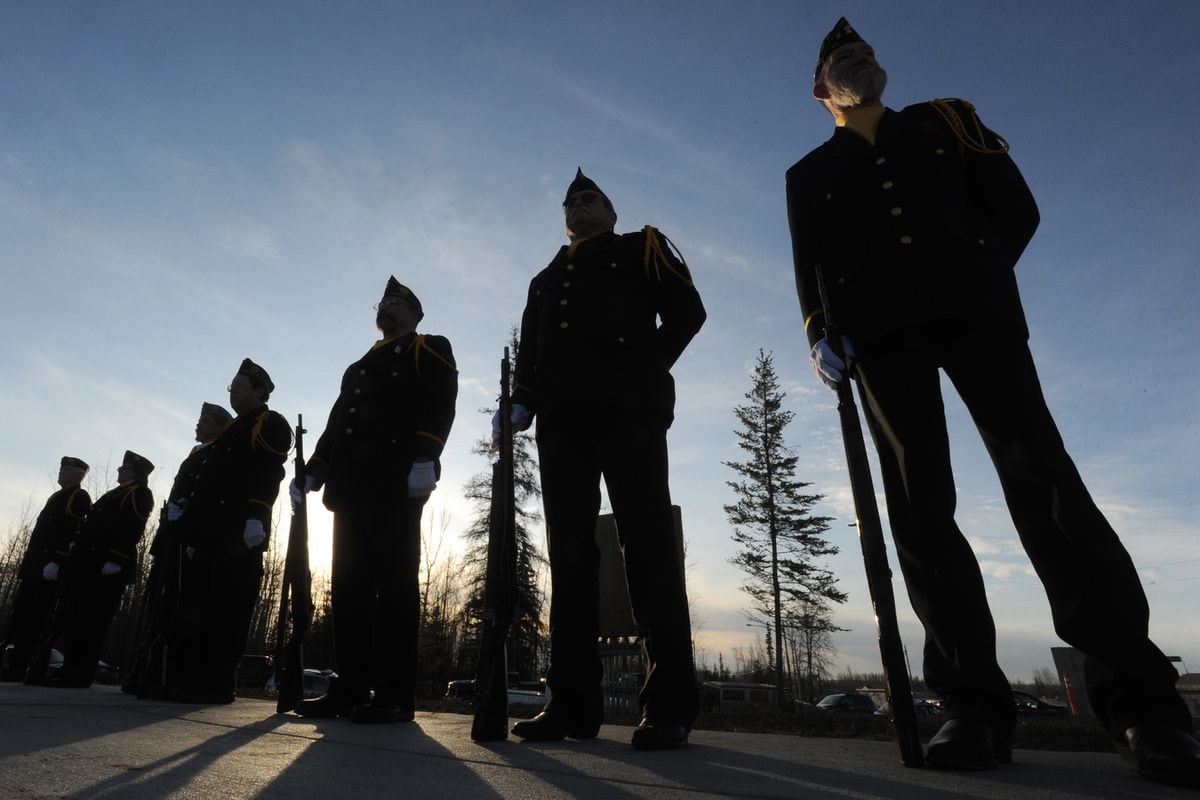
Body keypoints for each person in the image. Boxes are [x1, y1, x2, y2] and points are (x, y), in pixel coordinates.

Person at [786, 18, 1200, 784]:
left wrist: (973, 273)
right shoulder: (808, 174)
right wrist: (820, 332)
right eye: (844, 59)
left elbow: (1016, 209)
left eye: (868, 53)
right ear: (822, 92)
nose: (861, 61)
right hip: (879, 340)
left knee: (1044, 482)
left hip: (978, 318)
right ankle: (971, 706)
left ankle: (1143, 704)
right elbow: (809, 270)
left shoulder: (946, 121)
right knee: (920, 507)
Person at [500, 169, 706, 749]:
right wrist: (520, 404)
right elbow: (531, 353)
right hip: (563, 424)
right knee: (568, 557)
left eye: (590, 197)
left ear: (612, 212)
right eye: (571, 201)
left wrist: (644, 369)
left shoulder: (640, 247)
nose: (579, 204)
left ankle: (668, 705)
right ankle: (571, 704)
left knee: (647, 547)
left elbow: (688, 313)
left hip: (629, 415)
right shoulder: (545, 280)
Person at [290, 277, 457, 724]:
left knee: (394, 588)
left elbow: (441, 401)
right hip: (352, 490)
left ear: (414, 314)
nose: (385, 307)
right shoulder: (359, 366)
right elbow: (337, 422)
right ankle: (349, 688)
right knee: (349, 591)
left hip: (396, 483)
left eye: (396, 302)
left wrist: (426, 455)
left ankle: (394, 694)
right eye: (382, 301)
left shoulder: (428, 347)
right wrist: (315, 470)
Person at [172, 360, 290, 704]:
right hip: (211, 532)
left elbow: (269, 471)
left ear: (259, 391)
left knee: (228, 609)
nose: (233, 391)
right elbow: (207, 487)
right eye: (232, 387)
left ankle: (218, 683)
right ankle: (197, 679)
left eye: (239, 386)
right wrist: (192, 531)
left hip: (238, 532)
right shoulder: (234, 430)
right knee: (202, 607)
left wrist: (257, 514)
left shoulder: (269, 422)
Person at [123, 402, 233, 698]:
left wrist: (193, 531)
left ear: (221, 426)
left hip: (191, 536)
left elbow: (210, 497)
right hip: (174, 535)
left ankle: (168, 677)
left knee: (179, 608)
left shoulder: (217, 453)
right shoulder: (198, 453)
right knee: (159, 607)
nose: (198, 425)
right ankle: (148, 674)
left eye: (205, 421)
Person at [48, 450, 154, 687]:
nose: (119, 471)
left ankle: (79, 673)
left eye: (124, 469)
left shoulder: (139, 493)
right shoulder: (115, 494)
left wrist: (117, 557)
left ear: (135, 472)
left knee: (92, 622)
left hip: (106, 565)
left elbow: (132, 526)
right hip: (88, 564)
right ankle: (70, 669)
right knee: (76, 620)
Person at [0, 457, 91, 682]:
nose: (61, 472)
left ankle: (25, 665)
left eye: (67, 469)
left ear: (78, 475)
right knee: (22, 616)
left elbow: (74, 531)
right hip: (35, 566)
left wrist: (57, 560)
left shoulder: (78, 497)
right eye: (61, 468)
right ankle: (17, 663)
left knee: (37, 618)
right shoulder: (58, 497)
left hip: (49, 568)